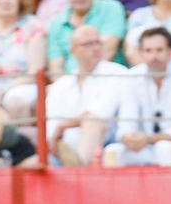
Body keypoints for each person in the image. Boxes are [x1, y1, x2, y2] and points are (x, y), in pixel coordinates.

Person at [109, 26, 171, 166]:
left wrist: (148, 139)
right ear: (141, 53)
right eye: (148, 51)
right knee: (114, 151)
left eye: (159, 50)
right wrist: (129, 138)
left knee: (165, 149)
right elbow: (125, 125)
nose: (154, 56)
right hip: (141, 147)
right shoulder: (132, 77)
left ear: (170, 51)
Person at [45, 23, 127, 165]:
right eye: (88, 44)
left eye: (98, 43)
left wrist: (63, 125)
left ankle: (79, 168)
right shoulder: (61, 84)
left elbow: (99, 114)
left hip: (104, 144)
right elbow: (52, 126)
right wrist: (57, 135)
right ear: (73, 50)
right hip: (63, 151)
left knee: (92, 123)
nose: (95, 48)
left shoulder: (117, 73)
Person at [46, 0, 127, 74]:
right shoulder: (56, 23)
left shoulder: (111, 8)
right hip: (70, 80)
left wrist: (84, 80)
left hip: (107, 76)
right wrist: (68, 83)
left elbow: (107, 50)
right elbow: (56, 66)